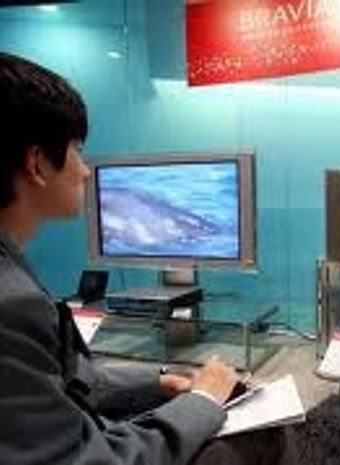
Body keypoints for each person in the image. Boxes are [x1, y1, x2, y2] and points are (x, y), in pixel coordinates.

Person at [0, 52, 291, 465]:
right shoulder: (12, 305)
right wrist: (205, 400)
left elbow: (70, 381)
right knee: (257, 440)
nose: (86, 171)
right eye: (77, 150)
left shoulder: (12, 276)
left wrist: (162, 380)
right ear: (36, 165)